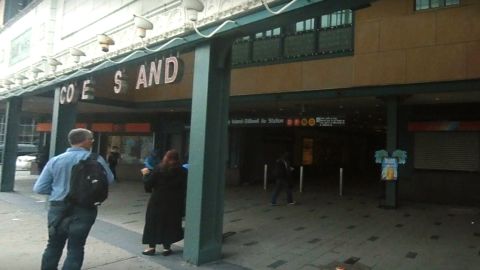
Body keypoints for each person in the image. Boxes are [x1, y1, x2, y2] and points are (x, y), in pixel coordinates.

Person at [33, 128, 115, 270]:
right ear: (85, 141)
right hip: (85, 208)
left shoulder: (55, 160)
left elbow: (40, 187)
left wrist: (58, 191)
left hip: (58, 208)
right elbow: (109, 179)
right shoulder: (95, 159)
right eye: (91, 139)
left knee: (53, 245)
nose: (92, 142)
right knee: (76, 247)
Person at [140, 149, 187, 256]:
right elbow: (184, 187)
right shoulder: (182, 171)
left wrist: (145, 175)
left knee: (153, 223)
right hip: (174, 203)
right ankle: (167, 248)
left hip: (157, 201)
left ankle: (151, 247)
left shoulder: (159, 169)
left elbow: (148, 185)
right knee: (169, 223)